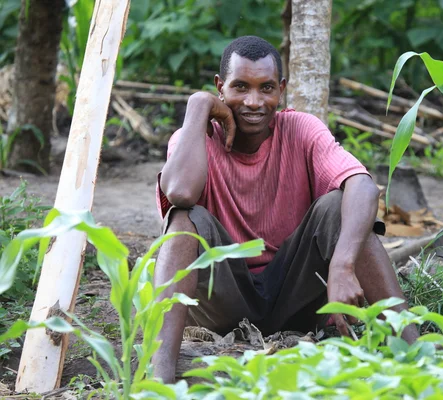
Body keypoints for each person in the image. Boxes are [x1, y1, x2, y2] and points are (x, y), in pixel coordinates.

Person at [152, 35, 418, 382]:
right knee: (185, 220)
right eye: (240, 87)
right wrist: (197, 106)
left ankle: (415, 354)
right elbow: (180, 193)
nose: (253, 101)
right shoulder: (195, 137)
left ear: (281, 89)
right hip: (223, 300)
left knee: (341, 206)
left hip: (296, 296)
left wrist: (342, 264)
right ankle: (159, 377)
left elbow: (363, 185)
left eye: (266, 89)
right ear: (220, 87)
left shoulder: (301, 129)